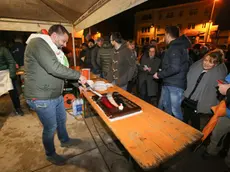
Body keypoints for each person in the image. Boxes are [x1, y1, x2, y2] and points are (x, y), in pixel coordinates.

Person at [24, 25, 87, 165]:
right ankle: (50, 154)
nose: (65, 45)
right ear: (54, 37)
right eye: (63, 41)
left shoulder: (52, 48)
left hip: (55, 94)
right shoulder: (37, 43)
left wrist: (78, 84)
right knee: (50, 127)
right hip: (41, 96)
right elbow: (54, 68)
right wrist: (79, 75)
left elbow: (62, 70)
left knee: (61, 119)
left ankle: (64, 140)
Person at [183, 49, 227, 130]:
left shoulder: (216, 74)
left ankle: (196, 138)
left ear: (216, 64)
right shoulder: (197, 67)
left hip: (198, 102)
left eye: (210, 62)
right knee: (185, 118)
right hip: (188, 98)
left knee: (195, 121)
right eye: (205, 60)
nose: (206, 63)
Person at [153, 26, 191, 120]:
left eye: (164, 35)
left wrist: (159, 74)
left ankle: (180, 130)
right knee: (167, 107)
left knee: (175, 110)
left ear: (168, 34)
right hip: (170, 82)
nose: (164, 38)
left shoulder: (175, 47)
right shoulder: (177, 46)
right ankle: (168, 127)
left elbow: (174, 68)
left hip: (175, 85)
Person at [203, 80, 230, 172]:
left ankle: (228, 163)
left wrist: (228, 90)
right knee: (217, 133)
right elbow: (225, 81)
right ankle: (212, 151)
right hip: (227, 113)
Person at [0, 40, 24, 115]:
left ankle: (18, 108)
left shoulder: (3, 50)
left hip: (6, 73)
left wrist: (12, 75)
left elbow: (11, 61)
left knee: (13, 92)